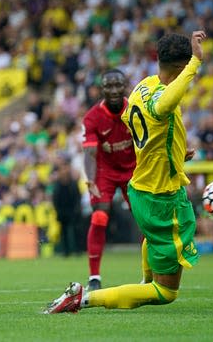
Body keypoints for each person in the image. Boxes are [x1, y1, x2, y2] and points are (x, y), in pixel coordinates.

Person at [44, 31, 206, 314]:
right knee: (166, 292)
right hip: (161, 197)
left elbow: (146, 131)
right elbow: (165, 104)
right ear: (180, 69)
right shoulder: (162, 98)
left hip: (140, 188)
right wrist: (196, 63)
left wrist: (176, 151)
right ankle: (82, 299)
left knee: (150, 247)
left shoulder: (143, 86)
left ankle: (143, 280)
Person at [80, 69, 136, 290]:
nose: (113, 90)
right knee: (100, 217)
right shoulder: (92, 117)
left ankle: (150, 272)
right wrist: (91, 180)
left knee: (144, 219)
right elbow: (90, 153)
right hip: (105, 172)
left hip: (135, 170)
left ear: (125, 87)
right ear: (102, 89)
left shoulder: (135, 110)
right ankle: (94, 276)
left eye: (117, 85)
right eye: (108, 86)